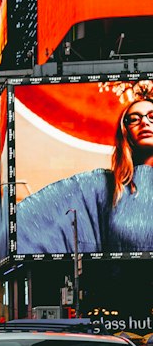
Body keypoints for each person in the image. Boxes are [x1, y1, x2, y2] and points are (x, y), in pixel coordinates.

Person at [16, 97, 153, 254]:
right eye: (134, 119)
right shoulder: (103, 185)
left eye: (152, 116)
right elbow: (30, 222)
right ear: (125, 132)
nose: (144, 122)